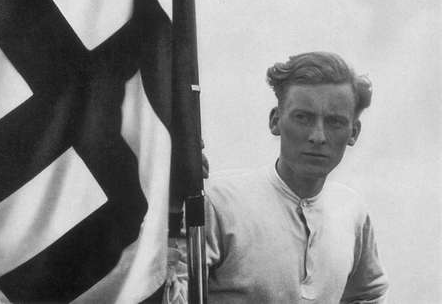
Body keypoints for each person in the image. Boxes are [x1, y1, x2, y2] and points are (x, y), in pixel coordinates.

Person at [165, 51, 389, 303]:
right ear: (275, 121)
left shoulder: (351, 210)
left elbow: (369, 294)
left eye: (335, 122)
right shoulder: (217, 202)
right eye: (303, 117)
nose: (318, 136)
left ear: (353, 132)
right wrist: (173, 208)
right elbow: (168, 296)